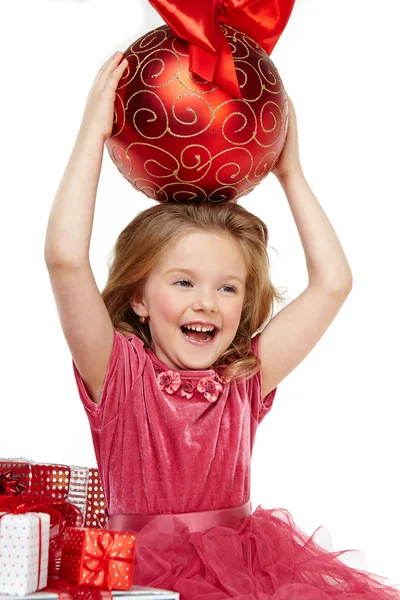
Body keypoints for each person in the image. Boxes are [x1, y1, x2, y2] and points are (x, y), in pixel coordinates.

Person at [45, 51, 400, 599]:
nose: (207, 302)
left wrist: (291, 173)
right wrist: (91, 136)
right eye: (183, 282)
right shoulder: (116, 373)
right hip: (135, 580)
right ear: (138, 297)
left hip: (244, 576)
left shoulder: (245, 376)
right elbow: (66, 260)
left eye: (227, 287)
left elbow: (333, 283)